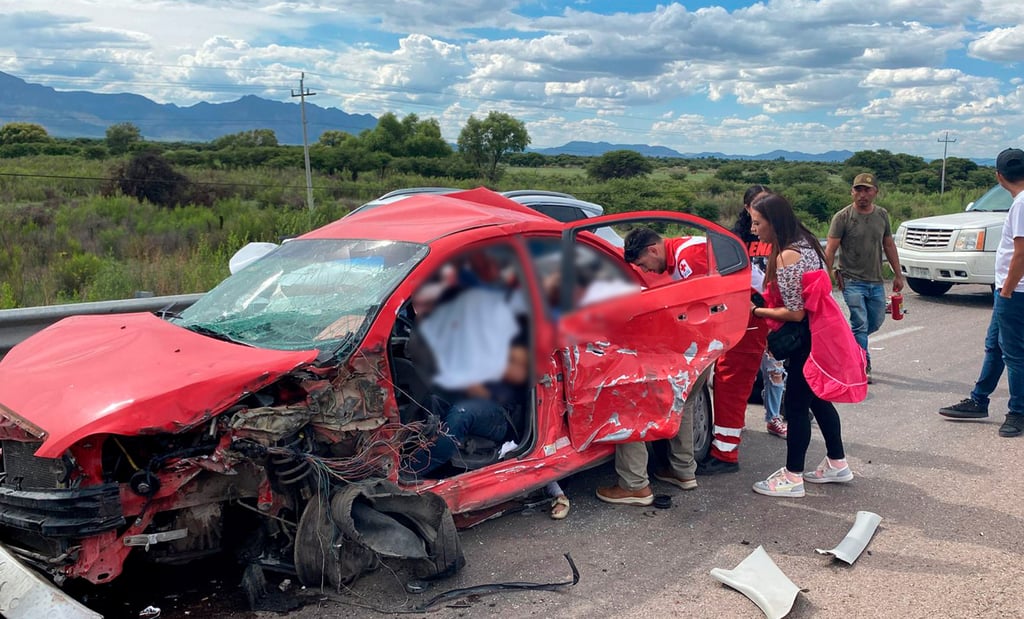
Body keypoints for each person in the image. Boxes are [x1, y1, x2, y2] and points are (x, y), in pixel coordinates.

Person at [749, 193, 859, 497]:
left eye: (758, 222)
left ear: (774, 221)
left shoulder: (787, 256)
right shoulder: (807, 242)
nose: (754, 229)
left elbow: (795, 312)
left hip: (805, 338)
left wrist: (756, 310)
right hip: (820, 332)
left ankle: (792, 477)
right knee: (818, 399)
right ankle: (837, 462)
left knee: (796, 406)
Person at [593, 227, 708, 505]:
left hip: (686, 348)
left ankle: (634, 485)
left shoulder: (688, 256)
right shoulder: (691, 249)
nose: (649, 272)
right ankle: (683, 471)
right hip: (702, 347)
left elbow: (696, 303)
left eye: (645, 265)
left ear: (653, 250)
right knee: (683, 403)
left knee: (630, 403)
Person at [696, 185, 786, 476]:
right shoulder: (733, 240)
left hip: (762, 318)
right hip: (743, 317)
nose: (759, 215)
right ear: (747, 208)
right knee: (729, 383)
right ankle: (727, 440)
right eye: (756, 207)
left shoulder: (784, 240)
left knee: (736, 382)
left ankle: (725, 453)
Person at [938, 148, 1024, 438]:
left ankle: (1018, 412)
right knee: (995, 347)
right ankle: (979, 399)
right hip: (1008, 289)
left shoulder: (1021, 203)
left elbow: (1021, 254)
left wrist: (1009, 289)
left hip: (1015, 291)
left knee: (1014, 354)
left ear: (999, 176)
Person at [824, 172, 905, 382]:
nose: (862, 194)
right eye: (858, 190)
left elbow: (889, 244)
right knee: (859, 323)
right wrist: (826, 277)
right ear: (851, 192)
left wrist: (898, 274)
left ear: (875, 192)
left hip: (876, 279)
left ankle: (848, 345)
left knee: (875, 321)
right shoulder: (842, 217)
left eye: (867, 190)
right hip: (851, 280)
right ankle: (862, 364)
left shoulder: (882, 215)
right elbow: (830, 249)